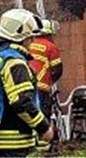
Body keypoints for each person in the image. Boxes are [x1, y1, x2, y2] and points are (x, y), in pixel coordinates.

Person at [0, 9, 54, 157]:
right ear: (21, 38)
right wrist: (44, 128)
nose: (32, 42)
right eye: (30, 37)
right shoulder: (14, 62)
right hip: (11, 137)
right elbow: (22, 102)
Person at [27, 19, 63, 154]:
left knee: (28, 114)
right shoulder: (50, 47)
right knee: (43, 114)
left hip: (25, 87)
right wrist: (51, 81)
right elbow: (57, 69)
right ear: (48, 33)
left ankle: (29, 144)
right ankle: (44, 146)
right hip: (42, 87)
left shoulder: (28, 45)